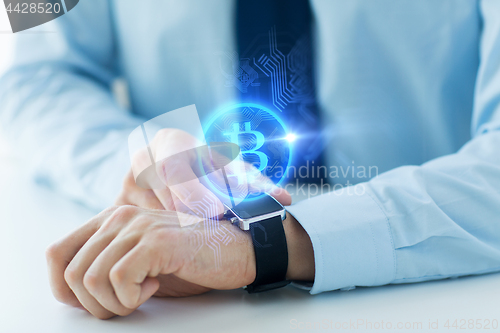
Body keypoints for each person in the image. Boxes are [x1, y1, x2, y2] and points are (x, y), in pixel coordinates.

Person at [1, 0, 500, 320]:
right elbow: (35, 71)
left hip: (442, 290)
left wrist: (265, 243)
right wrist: (147, 171)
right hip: (192, 290)